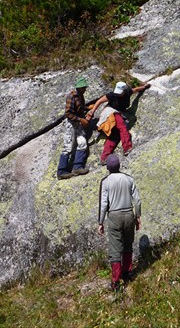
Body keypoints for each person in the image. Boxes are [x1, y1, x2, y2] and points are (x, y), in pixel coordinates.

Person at [97, 154, 141, 291]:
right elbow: (138, 200)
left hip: (114, 216)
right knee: (128, 245)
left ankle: (116, 282)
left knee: (115, 250)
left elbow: (104, 204)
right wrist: (138, 216)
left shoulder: (105, 181)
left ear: (108, 167)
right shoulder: (129, 179)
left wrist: (100, 222)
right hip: (129, 214)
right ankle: (127, 273)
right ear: (119, 165)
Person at [86, 81, 150, 164]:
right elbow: (100, 101)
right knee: (122, 127)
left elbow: (136, 90)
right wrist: (93, 111)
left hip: (118, 114)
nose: (118, 94)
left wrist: (144, 87)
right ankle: (127, 148)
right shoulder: (112, 95)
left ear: (124, 91)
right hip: (110, 112)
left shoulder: (128, 92)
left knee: (114, 136)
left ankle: (104, 158)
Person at [57, 77, 91, 180]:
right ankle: (61, 171)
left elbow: (80, 107)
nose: (85, 89)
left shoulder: (80, 96)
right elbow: (68, 113)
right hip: (71, 124)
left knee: (82, 143)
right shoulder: (71, 96)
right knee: (68, 147)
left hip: (77, 123)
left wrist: (87, 108)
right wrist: (81, 120)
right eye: (84, 87)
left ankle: (77, 167)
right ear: (79, 88)